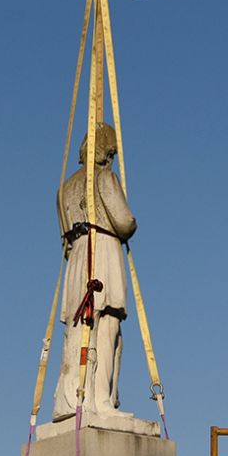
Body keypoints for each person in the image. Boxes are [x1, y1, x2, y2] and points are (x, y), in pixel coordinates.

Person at [51, 123, 136, 422]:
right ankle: (101, 401)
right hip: (102, 253)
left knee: (77, 329)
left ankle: (70, 396)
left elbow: (64, 235)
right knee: (107, 325)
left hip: (76, 258)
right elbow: (124, 222)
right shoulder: (103, 178)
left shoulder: (64, 190)